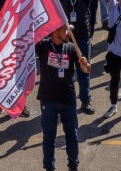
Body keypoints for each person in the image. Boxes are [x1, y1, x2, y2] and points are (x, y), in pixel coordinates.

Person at [47, 0, 99, 115]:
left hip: (82, 40)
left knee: (84, 72)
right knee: (65, 74)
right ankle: (64, 102)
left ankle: (86, 101)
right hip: (65, 41)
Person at [36, 23, 92, 171]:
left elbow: (86, 70)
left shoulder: (71, 47)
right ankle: (49, 167)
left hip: (68, 100)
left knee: (72, 136)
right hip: (48, 101)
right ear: (54, 31)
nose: (68, 32)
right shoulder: (43, 46)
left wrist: (85, 64)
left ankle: (73, 166)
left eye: (69, 30)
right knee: (49, 137)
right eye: (65, 30)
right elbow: (27, 40)